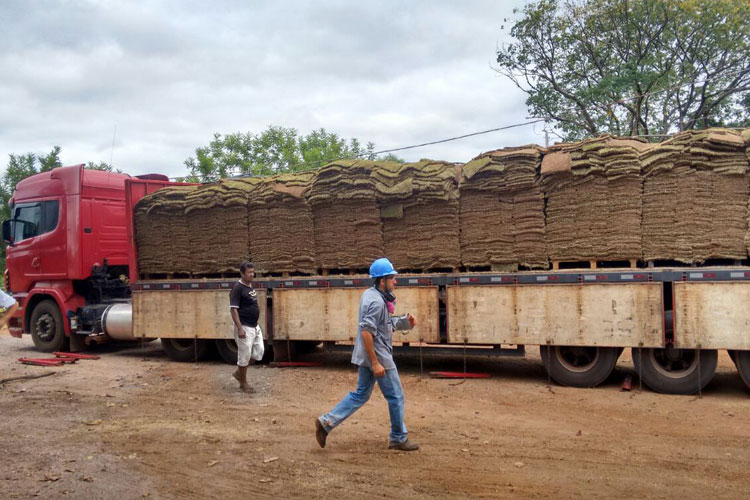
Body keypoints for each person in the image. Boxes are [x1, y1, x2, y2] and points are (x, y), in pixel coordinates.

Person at [315, 257, 419, 451]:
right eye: (392, 278)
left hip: (369, 355)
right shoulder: (377, 303)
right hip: (378, 357)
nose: (395, 281)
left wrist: (405, 322)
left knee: (361, 394)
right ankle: (398, 437)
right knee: (396, 396)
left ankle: (326, 422)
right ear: (382, 280)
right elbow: (366, 332)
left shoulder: (372, 295)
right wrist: (375, 362)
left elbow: (383, 325)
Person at [229, 261, 264, 393]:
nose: (251, 274)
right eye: (249, 272)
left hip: (254, 326)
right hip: (244, 326)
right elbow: (233, 309)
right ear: (242, 273)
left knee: (259, 351)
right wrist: (240, 328)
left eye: (252, 272)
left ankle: (239, 372)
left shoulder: (250, 286)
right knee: (244, 355)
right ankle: (243, 383)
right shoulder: (238, 288)